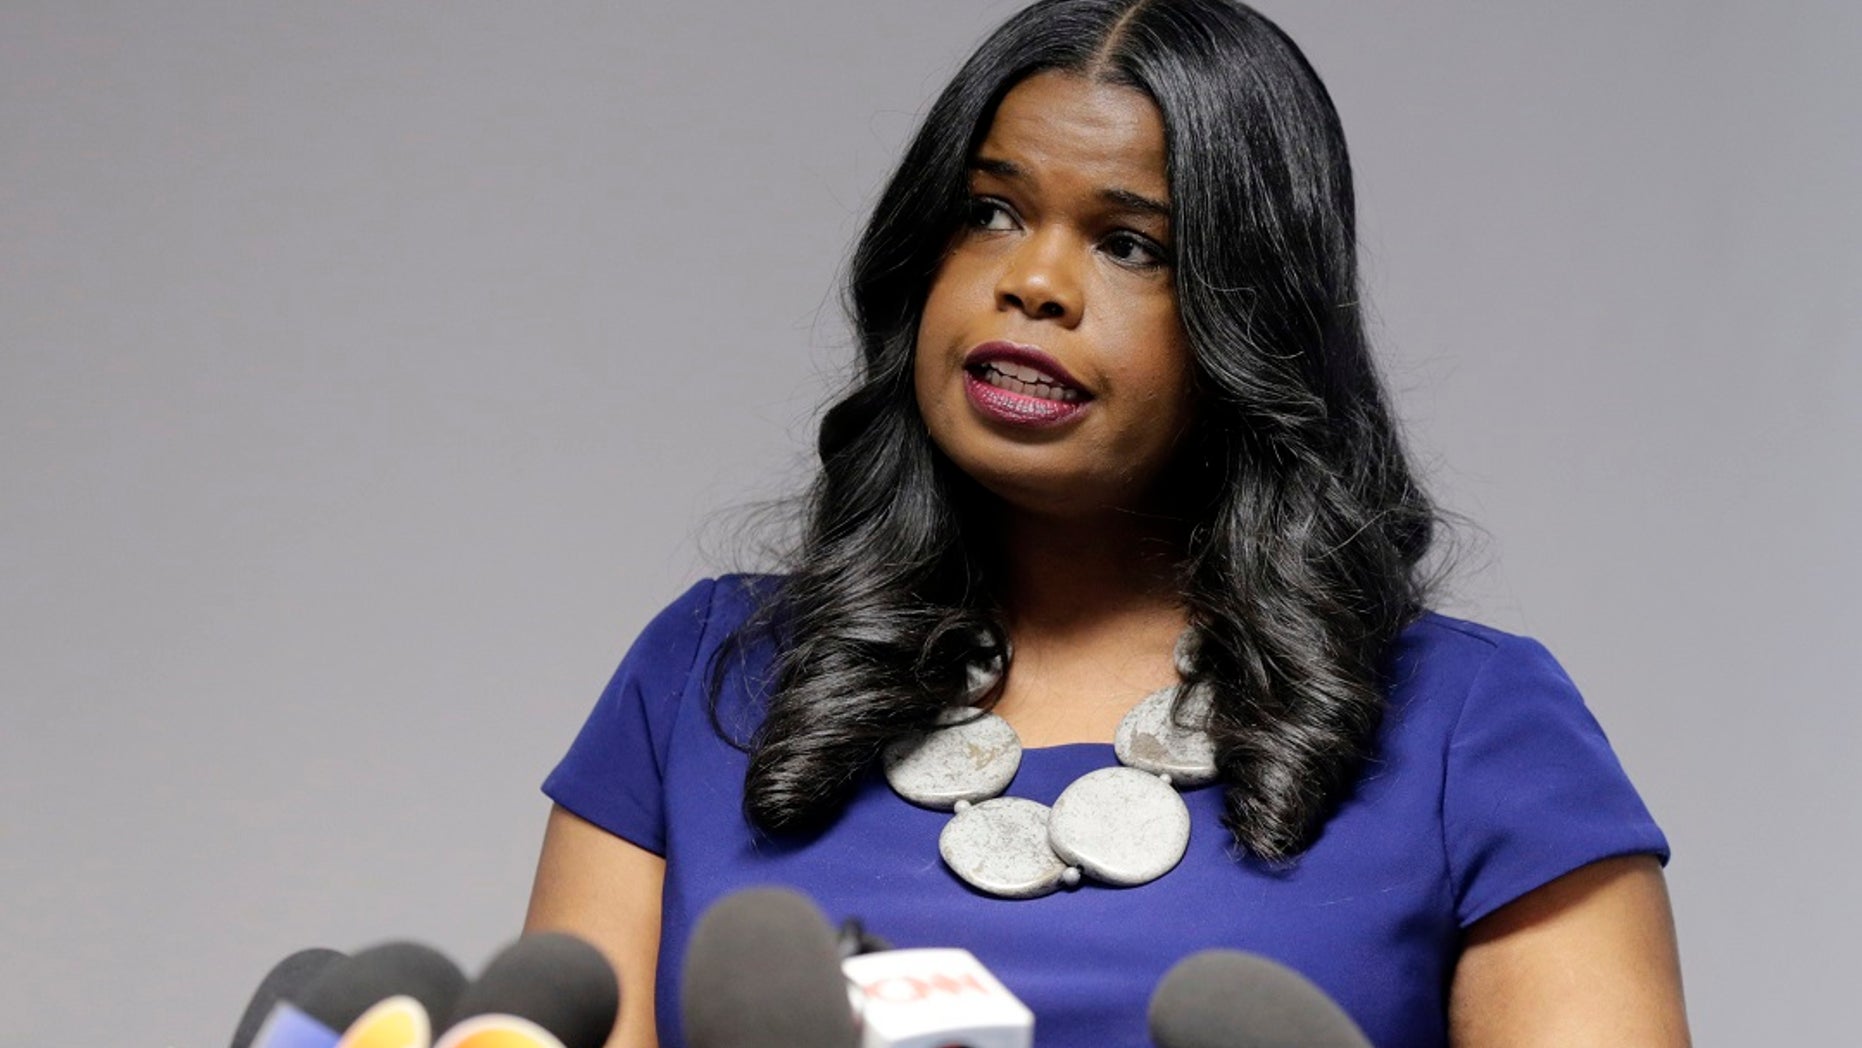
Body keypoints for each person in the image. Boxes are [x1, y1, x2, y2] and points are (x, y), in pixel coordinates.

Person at [524, 1, 1690, 1045]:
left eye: (1129, 243)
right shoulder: (704, 679)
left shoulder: (1471, 728)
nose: (1033, 282)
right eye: (987, 212)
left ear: (1252, 320)